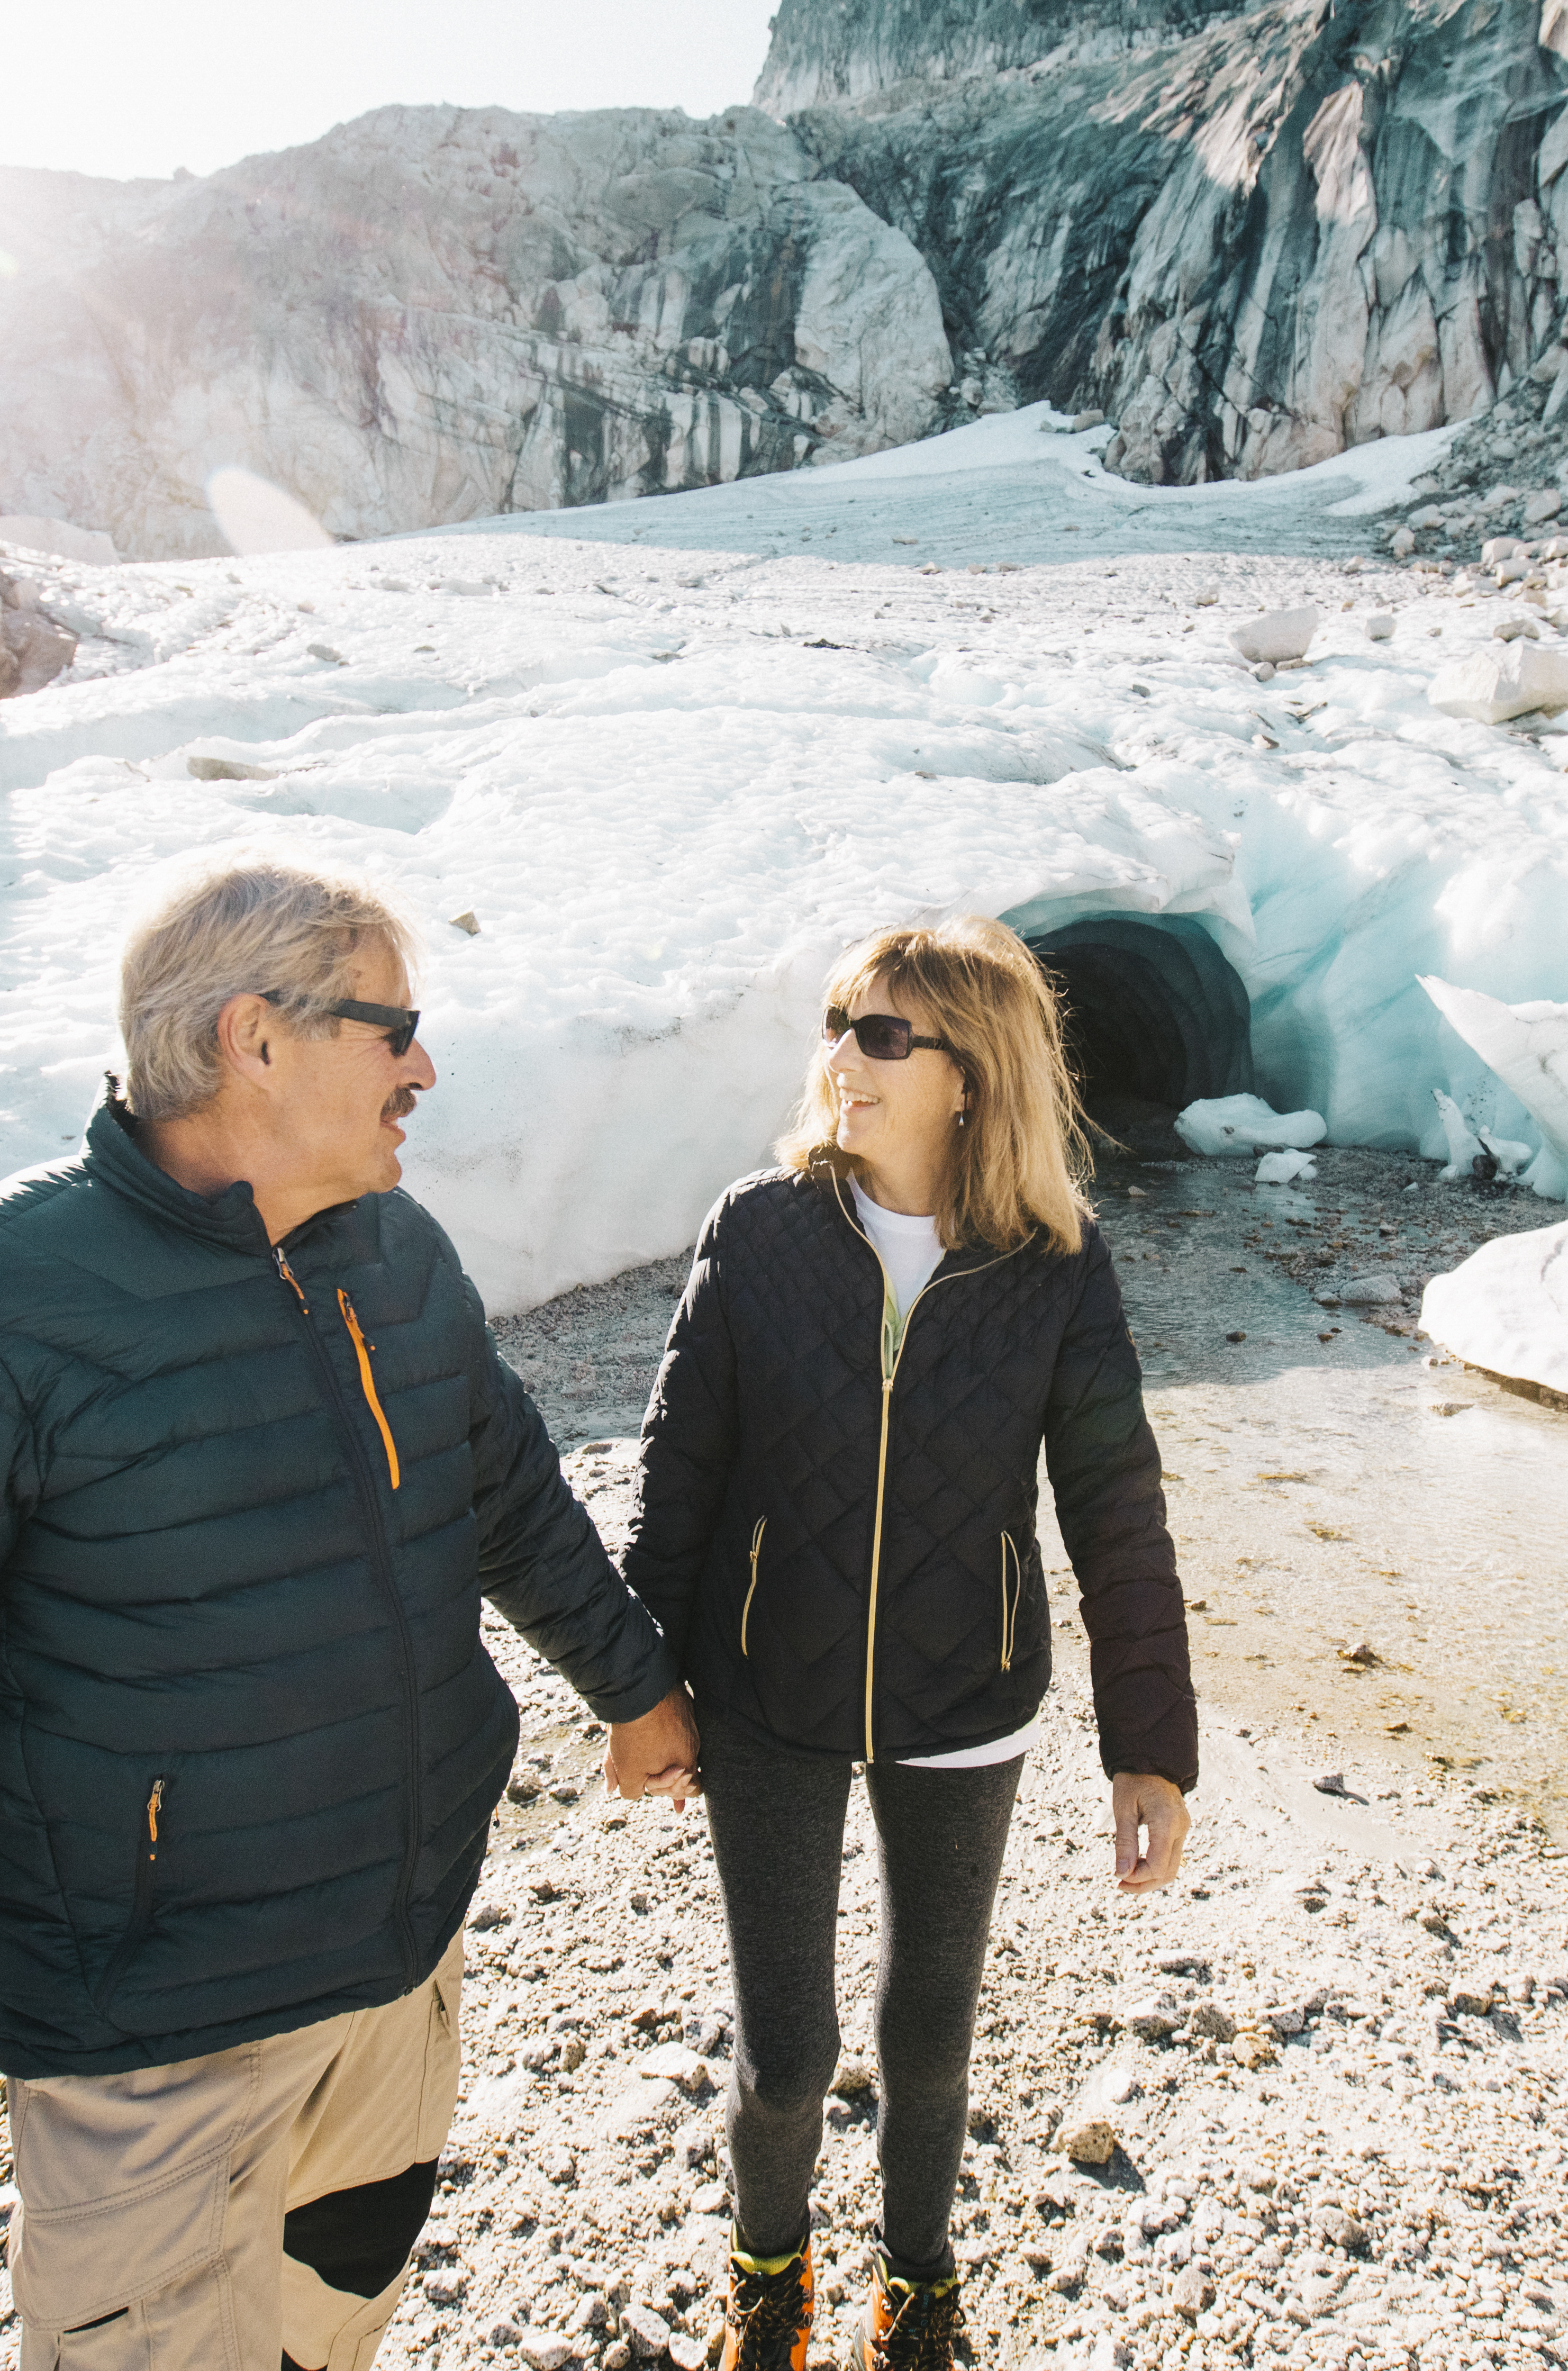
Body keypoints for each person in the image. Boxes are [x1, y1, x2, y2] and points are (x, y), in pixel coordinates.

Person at [0, 857, 702, 2371]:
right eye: (394, 1029)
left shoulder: (392, 1251)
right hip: (163, 2046)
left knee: (328, 2332)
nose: (424, 1068)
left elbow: (502, 1497)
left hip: (399, 1977)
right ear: (255, 1039)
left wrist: (634, 1691)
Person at [620, 916, 1199, 2371]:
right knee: (789, 2048)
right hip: (766, 1694)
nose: (843, 1059)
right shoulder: (757, 1232)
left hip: (968, 1701)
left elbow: (1116, 1512)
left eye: (882, 1034)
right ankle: (769, 2275)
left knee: (931, 2033)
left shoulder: (1056, 1267)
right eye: (837, 1023)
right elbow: (677, 1473)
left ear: (969, 1072)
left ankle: (921, 2289)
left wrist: (1151, 1752)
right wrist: (644, 1689)